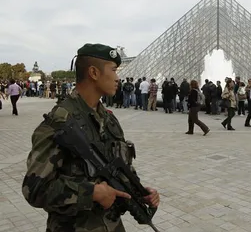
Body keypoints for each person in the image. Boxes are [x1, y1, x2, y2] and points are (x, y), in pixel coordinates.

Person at [22, 43, 160, 232]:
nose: (118, 77)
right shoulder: (59, 122)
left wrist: (139, 192)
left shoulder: (109, 119)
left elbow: (120, 167)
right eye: (113, 70)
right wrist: (91, 193)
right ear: (94, 73)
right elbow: (35, 189)